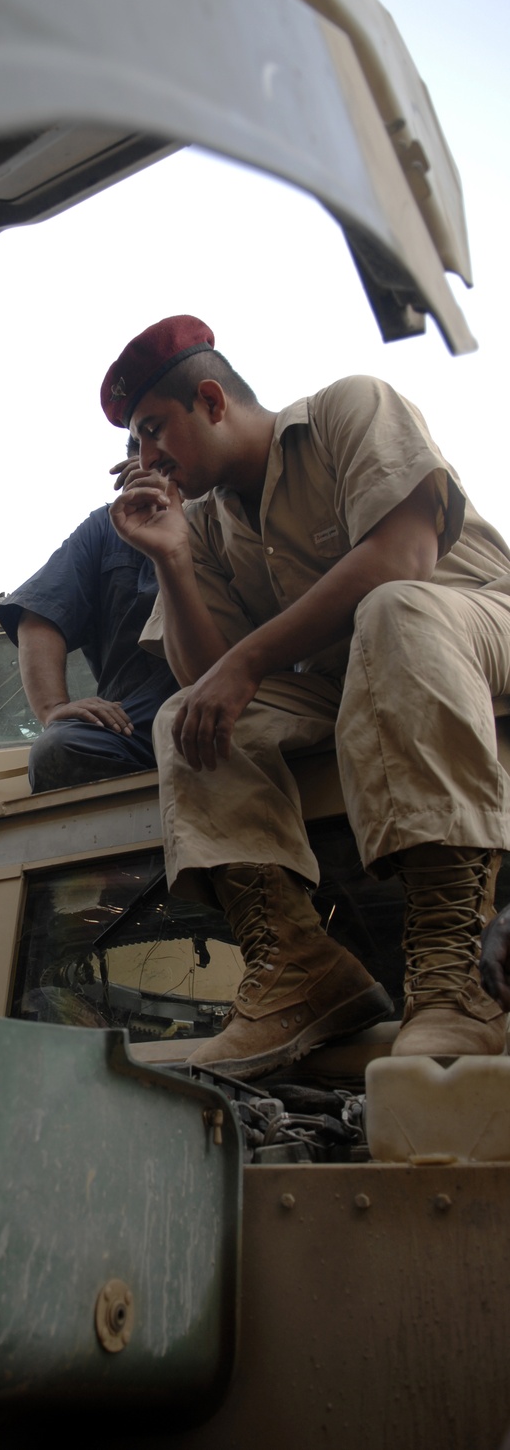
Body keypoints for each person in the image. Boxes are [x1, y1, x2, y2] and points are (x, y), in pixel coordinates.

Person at [104, 313, 510, 1074]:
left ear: (214, 401)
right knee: (183, 717)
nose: (145, 458)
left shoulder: (348, 408)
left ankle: (454, 981)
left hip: (480, 627)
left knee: (395, 610)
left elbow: (406, 554)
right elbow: (209, 683)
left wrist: (250, 661)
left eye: (155, 430)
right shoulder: (209, 523)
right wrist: (172, 559)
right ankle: (299, 968)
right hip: (354, 676)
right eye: (134, 444)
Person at [0, 442, 178, 791]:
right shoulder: (105, 528)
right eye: (143, 452)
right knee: (56, 749)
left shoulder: (227, 508)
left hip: (230, 695)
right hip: (132, 722)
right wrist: (53, 709)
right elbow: (40, 613)